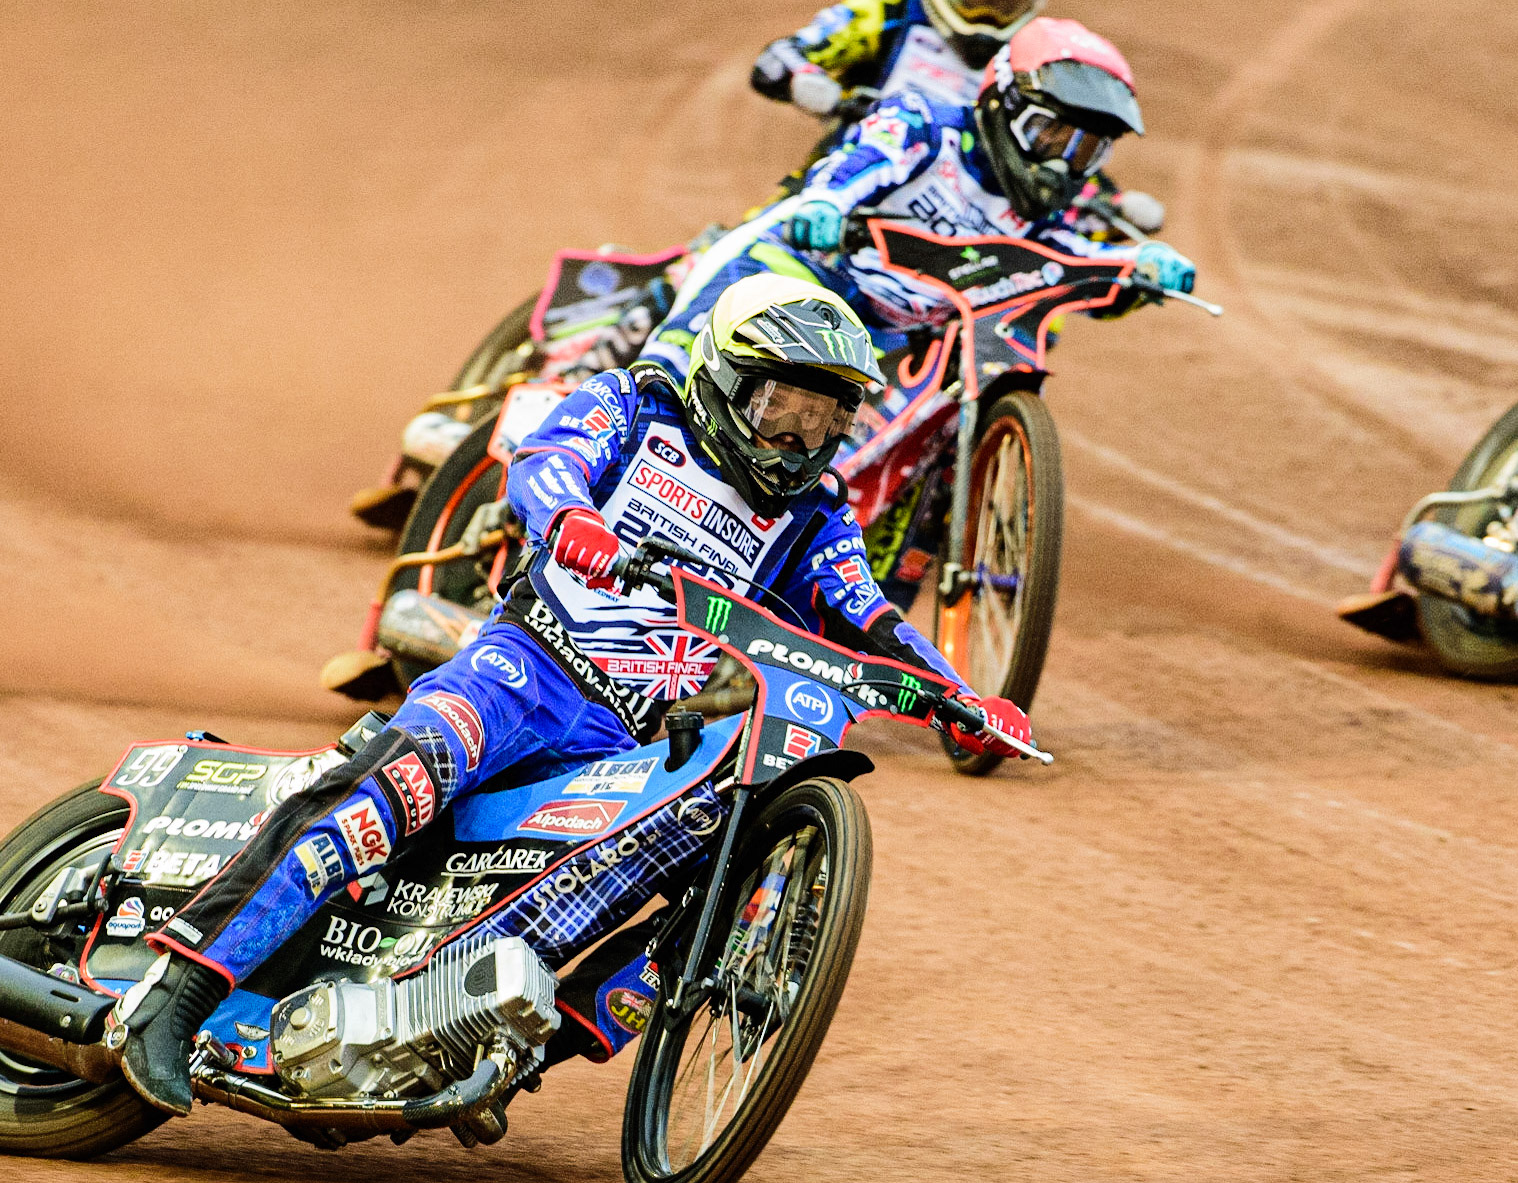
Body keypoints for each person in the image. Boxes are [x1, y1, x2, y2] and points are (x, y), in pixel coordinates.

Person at [107, 275, 1033, 1115]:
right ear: (724, 377)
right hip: (521, 672)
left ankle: (510, 1054)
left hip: (625, 740)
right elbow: (542, 462)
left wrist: (960, 697)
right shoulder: (637, 403)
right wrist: (575, 524)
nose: (802, 441)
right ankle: (177, 996)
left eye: (827, 422)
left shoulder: (816, 515)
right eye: (782, 409)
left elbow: (867, 615)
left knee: (697, 857)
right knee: (397, 785)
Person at [644, 18, 1197, 385]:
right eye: (1052, 135)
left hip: (910, 338)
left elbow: (1066, 262)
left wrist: (1136, 269)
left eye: (1087, 150)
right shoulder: (926, 125)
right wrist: (829, 204)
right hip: (827, 280)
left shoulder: (1047, 214)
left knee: (983, 367)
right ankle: (634, 399)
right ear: (1005, 104)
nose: (1061, 163)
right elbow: (865, 160)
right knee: (747, 280)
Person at [748, 0, 1164, 236]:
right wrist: (806, 80)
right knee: (733, 256)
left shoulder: (1039, 58)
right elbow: (777, 60)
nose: (989, 13)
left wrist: (1111, 205)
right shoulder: (887, 14)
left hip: (973, 218)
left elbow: (1060, 145)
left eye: (1005, 2)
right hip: (850, 182)